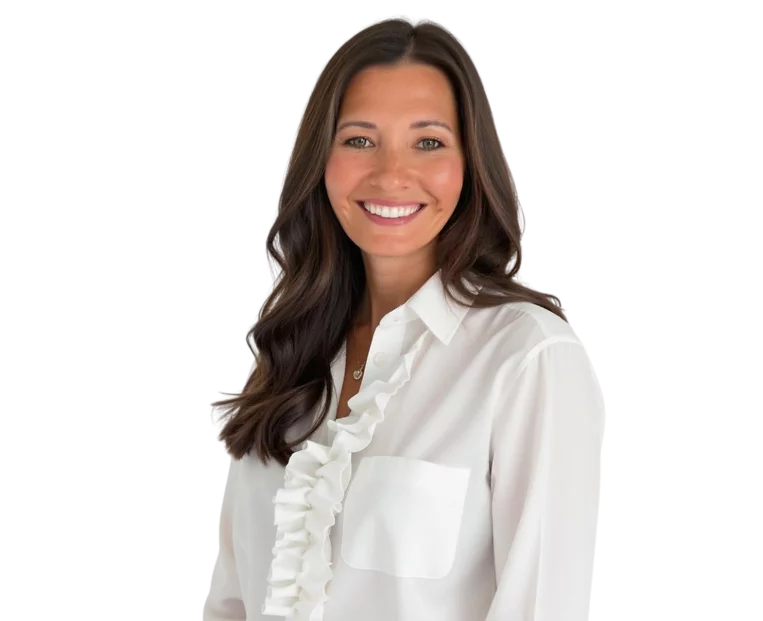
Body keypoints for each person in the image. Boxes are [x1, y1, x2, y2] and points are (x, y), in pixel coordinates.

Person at [205, 16, 602, 621]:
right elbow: (233, 600)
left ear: (469, 164)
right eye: (360, 139)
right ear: (323, 160)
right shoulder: (284, 359)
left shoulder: (527, 358)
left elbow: (544, 607)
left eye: (429, 141)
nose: (392, 174)